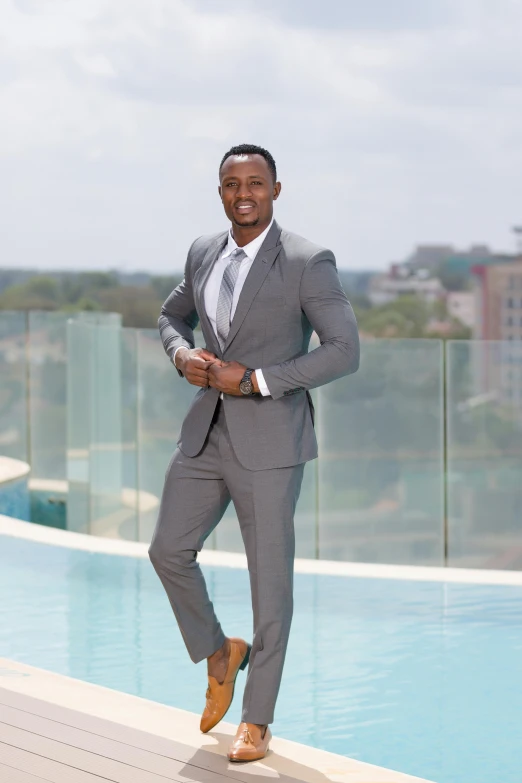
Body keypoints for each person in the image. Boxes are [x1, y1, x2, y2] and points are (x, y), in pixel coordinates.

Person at [149, 143, 360, 762]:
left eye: (256, 182)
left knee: (269, 584)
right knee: (167, 551)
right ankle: (219, 652)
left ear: (275, 188)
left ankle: (257, 720)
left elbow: (344, 349)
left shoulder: (306, 260)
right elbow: (170, 315)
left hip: (271, 440)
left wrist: (257, 379)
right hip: (204, 433)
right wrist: (182, 355)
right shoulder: (203, 251)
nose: (244, 193)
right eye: (232, 183)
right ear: (220, 191)